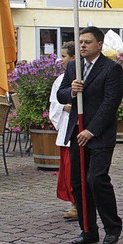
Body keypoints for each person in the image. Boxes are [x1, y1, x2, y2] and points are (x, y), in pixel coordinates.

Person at [57, 26, 123, 244]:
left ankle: (112, 227)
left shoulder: (111, 69)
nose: (82, 45)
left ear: (99, 45)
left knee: (96, 179)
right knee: (78, 182)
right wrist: (71, 91)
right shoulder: (74, 67)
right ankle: (88, 230)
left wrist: (92, 130)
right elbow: (61, 93)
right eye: (80, 42)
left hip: (99, 134)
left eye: (87, 42)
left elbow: (110, 103)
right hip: (77, 131)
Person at [49, 42, 77, 221]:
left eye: (65, 56)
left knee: (75, 168)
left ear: (73, 58)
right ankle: (74, 203)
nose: (61, 60)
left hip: (80, 129)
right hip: (66, 127)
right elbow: (55, 103)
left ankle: (79, 203)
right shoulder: (60, 79)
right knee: (68, 170)